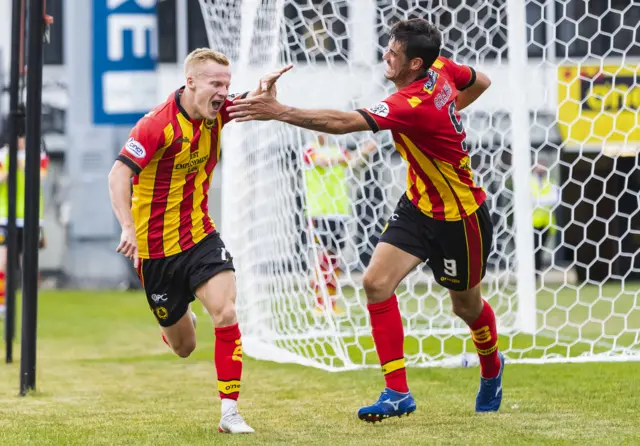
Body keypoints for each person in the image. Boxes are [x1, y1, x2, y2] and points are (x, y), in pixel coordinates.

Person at [228, 18, 502, 420]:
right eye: (388, 47)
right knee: (374, 283)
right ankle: (396, 392)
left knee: (466, 307)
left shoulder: (411, 104)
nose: (386, 56)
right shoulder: (441, 67)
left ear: (415, 64)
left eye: (394, 53)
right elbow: (481, 82)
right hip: (416, 205)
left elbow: (343, 124)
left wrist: (279, 111)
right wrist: (450, 109)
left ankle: (492, 369)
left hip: (460, 219)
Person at [108, 48, 291, 434]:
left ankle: (230, 412)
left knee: (225, 312)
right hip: (155, 252)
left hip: (200, 237)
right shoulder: (155, 125)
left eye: (226, 84)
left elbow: (246, 104)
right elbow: (118, 175)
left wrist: (261, 91)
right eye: (215, 84)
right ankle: (178, 318)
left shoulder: (217, 111)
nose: (223, 91)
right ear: (190, 82)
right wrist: (127, 227)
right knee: (184, 347)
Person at [303, 133, 376, 315]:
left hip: (339, 212)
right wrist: (348, 156)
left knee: (334, 259)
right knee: (322, 257)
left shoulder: (337, 150)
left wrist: (365, 151)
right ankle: (320, 302)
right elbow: (322, 161)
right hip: (319, 211)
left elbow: (352, 161)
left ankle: (331, 301)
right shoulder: (309, 149)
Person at [0, 108, 49, 318]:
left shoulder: (37, 155)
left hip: (30, 217)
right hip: (5, 216)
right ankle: (2, 302)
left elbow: (40, 178)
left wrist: (22, 165)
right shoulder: (4, 154)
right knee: (2, 260)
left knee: (28, 261)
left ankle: (30, 304)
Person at [531, 158, 560, 277]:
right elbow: (529, 200)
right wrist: (545, 200)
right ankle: (531, 275)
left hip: (546, 223)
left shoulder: (549, 181)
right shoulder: (528, 181)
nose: (541, 168)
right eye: (539, 165)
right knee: (532, 250)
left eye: (543, 165)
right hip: (531, 223)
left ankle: (537, 275)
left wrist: (539, 201)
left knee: (540, 250)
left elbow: (555, 199)